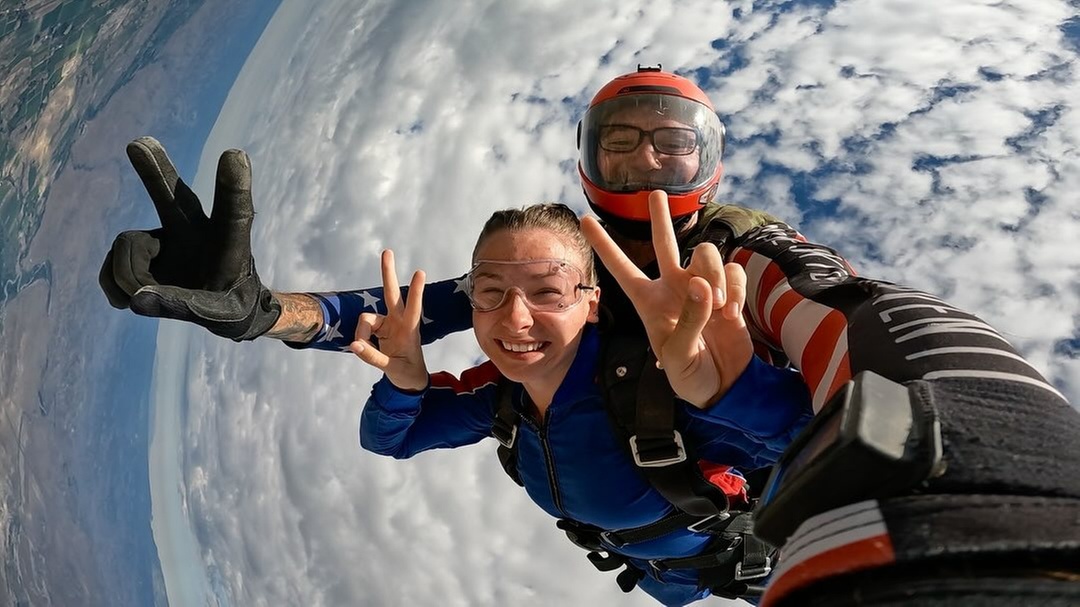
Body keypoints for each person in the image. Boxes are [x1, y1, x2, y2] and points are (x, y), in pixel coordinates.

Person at [100, 66, 1079, 603]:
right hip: (654, 558)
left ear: (707, 160)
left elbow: (850, 327)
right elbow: (392, 314)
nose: (647, 157)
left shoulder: (734, 263)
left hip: (742, 537)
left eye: (671, 142)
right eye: (623, 141)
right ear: (588, 161)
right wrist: (271, 312)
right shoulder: (547, 283)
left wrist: (998, 498)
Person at [351, 202, 812, 606]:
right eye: (491, 292)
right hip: (669, 579)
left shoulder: (658, 389)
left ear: (591, 303)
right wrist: (405, 381)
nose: (515, 318)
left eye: (547, 291)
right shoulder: (500, 399)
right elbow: (389, 439)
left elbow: (827, 446)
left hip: (772, 568)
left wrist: (732, 392)